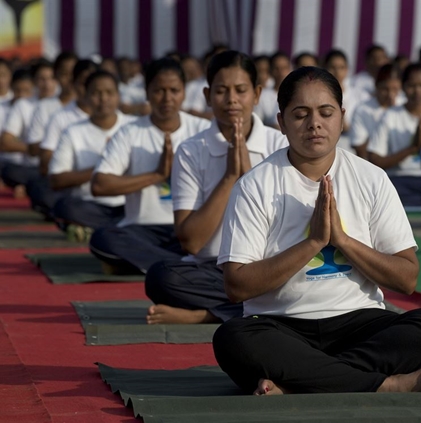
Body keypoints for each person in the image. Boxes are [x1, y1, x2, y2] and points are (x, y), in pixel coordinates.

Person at [212, 67, 421, 395]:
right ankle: (385, 384)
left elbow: (407, 278)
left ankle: (302, 378)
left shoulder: (371, 177)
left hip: (359, 323)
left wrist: (343, 240)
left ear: (341, 118)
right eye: (300, 114)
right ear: (281, 122)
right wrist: (314, 241)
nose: (314, 123)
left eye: (325, 112)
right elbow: (236, 286)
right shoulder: (254, 186)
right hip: (282, 326)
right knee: (233, 338)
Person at [144, 51, 288, 324]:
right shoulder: (190, 150)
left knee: (304, 278)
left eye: (241, 90)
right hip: (213, 269)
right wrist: (230, 178)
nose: (232, 99)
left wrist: (249, 179)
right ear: (208, 96)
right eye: (221, 91)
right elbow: (192, 242)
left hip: (268, 266)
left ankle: (206, 315)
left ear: (256, 95)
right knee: (161, 277)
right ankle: (249, 308)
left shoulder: (279, 144)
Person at [89, 58, 210, 274]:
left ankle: (153, 264)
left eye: (174, 90)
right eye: (159, 91)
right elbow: (99, 186)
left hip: (191, 229)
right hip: (142, 230)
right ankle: (182, 265)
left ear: (184, 92)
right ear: (147, 92)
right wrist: (157, 175)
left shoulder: (204, 131)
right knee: (103, 238)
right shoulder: (129, 132)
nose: (167, 98)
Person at [48, 71, 131, 239]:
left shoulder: (133, 127)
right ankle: (118, 231)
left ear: (118, 96)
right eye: (96, 93)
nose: (103, 99)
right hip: (91, 205)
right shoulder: (73, 131)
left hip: (129, 205)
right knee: (63, 206)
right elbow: (56, 180)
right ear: (85, 96)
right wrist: (103, 164)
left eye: (109, 93)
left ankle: (100, 230)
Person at [367, 63, 421, 208]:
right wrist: (411, 149)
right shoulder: (390, 116)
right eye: (411, 86)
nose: (417, 91)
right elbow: (374, 160)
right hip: (401, 180)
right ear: (403, 87)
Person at [27, 59, 97, 217]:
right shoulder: (61, 119)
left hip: (114, 197)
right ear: (74, 84)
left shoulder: (123, 123)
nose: (88, 90)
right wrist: (98, 169)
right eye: (83, 83)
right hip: (74, 192)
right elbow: (46, 168)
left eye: (94, 86)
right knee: (49, 195)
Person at [0, 59, 57, 192]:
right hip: (32, 167)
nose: (47, 84)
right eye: (41, 79)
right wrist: (42, 150)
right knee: (8, 170)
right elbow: (5, 143)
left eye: (51, 78)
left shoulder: (64, 106)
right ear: (34, 82)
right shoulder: (23, 105)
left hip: (59, 167)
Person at [350, 64, 401, 159]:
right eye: (385, 89)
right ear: (376, 86)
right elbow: (361, 150)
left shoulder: (404, 105)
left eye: (395, 89)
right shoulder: (362, 109)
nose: (390, 94)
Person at [253, 51, 292, 128]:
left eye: (284, 68)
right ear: (270, 71)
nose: (281, 73)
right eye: (277, 68)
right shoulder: (262, 96)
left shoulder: (298, 94)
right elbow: (256, 124)